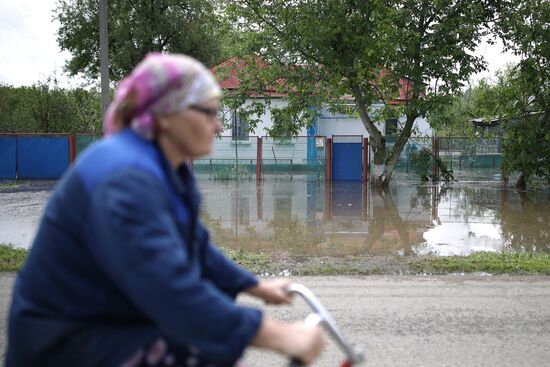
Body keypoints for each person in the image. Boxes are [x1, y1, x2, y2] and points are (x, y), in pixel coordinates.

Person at [6, 53, 323, 367]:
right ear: (167, 115)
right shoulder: (125, 177)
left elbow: (195, 245)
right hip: (63, 344)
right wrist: (278, 335)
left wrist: (255, 286)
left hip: (106, 322)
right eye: (210, 112)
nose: (219, 125)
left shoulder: (166, 169)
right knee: (199, 350)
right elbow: (168, 287)